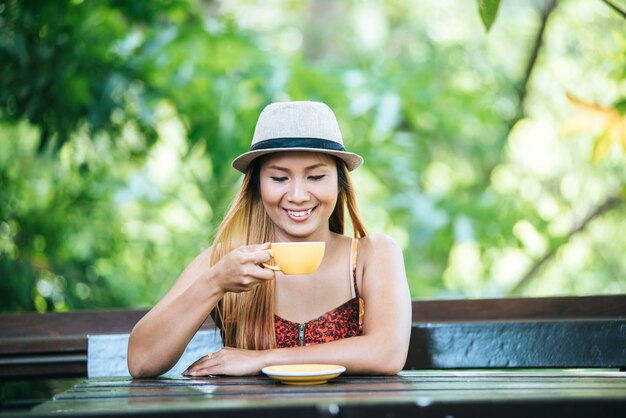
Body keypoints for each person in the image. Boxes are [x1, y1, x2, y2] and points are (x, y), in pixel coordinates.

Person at [127, 101, 412, 378]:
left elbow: (387, 352)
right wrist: (215, 283)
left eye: (315, 177)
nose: (298, 195)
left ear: (339, 183)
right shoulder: (227, 261)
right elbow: (141, 362)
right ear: (257, 185)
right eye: (279, 178)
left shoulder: (372, 255)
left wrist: (262, 359)